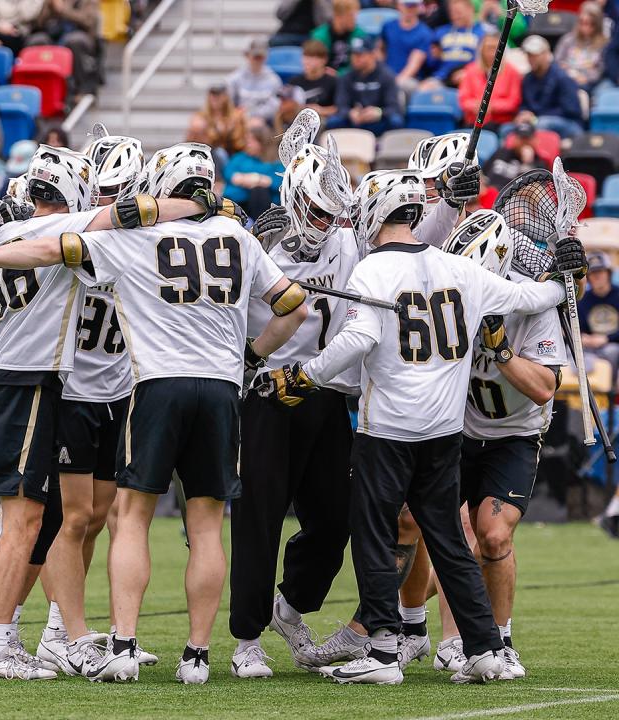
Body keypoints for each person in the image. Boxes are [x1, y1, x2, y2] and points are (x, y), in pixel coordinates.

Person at [0, 148, 307, 685]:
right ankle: (196, 656)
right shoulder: (240, 238)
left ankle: (121, 643)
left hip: (147, 387)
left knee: (123, 518)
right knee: (200, 528)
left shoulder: (128, 239)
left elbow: (53, 248)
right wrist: (250, 357)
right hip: (218, 389)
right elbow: (294, 303)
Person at [252, 169, 582, 685]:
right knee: (448, 539)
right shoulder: (459, 267)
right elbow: (528, 300)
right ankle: (485, 648)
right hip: (446, 431)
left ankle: (383, 650)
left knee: (375, 534)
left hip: (389, 430)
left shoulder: (372, 273)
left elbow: (358, 339)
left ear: (375, 211)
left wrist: (303, 376)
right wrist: (564, 281)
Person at [230, 130, 359, 679]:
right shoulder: (260, 242)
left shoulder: (349, 241)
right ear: (293, 197)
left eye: (332, 214)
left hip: (323, 391)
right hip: (266, 395)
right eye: (315, 210)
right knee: (258, 520)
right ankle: (246, 640)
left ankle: (290, 606)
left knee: (335, 520)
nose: (323, 224)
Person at [428, 209, 566, 681]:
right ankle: (419, 633)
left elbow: (545, 387)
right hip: (456, 427)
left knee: (492, 534)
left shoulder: (533, 306)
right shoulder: (449, 298)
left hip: (513, 434)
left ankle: (501, 639)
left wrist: (502, 349)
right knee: (428, 526)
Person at [32, 134, 148, 678]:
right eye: (102, 192)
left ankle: (66, 618)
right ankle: (61, 630)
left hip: (117, 391)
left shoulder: (146, 239)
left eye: (121, 193)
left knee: (100, 516)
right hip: (73, 390)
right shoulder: (73, 234)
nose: (110, 202)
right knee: (72, 516)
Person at [28, 0, 102, 97]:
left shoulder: (88, 1)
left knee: (74, 41)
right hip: (54, 36)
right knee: (37, 40)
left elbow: (88, 21)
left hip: (81, 35)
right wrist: (49, 7)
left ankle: (81, 90)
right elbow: (39, 23)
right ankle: (39, 89)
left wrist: (62, 10)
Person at [517, 35, 586, 139]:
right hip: (537, 121)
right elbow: (525, 104)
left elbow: (572, 110)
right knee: (507, 129)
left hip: (570, 124)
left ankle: (541, 155)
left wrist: (535, 117)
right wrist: (523, 114)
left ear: (546, 54)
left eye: (535, 55)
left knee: (542, 124)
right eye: (528, 55)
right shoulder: (527, 79)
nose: (531, 58)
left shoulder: (562, 77)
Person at [329, 37, 402, 134]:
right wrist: (351, 113)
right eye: (353, 55)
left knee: (395, 121)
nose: (356, 59)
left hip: (379, 121)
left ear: (372, 55)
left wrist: (378, 112)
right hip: (355, 121)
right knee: (333, 122)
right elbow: (341, 105)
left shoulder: (386, 76)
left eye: (360, 55)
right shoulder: (346, 77)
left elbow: (394, 107)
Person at [458, 33, 521, 128]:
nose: (492, 53)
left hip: (500, 122)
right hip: (473, 121)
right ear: (482, 50)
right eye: (489, 48)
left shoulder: (512, 72)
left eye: (495, 48)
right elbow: (464, 100)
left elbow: (513, 102)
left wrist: (491, 106)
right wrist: (476, 106)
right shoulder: (470, 70)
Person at [223, 123, 284, 218]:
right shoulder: (240, 157)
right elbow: (229, 173)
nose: (248, 144)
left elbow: (280, 182)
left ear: (262, 142)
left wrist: (258, 179)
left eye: (251, 141)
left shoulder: (275, 162)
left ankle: (260, 228)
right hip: (237, 202)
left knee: (259, 191)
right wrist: (251, 179)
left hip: (263, 205)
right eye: (247, 141)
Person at [428, 0, 485, 88]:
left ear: (470, 9)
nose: (455, 16)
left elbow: (486, 62)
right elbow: (430, 64)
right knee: (423, 90)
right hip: (442, 78)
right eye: (452, 12)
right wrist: (435, 57)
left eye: (459, 12)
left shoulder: (482, 33)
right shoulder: (440, 32)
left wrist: (468, 72)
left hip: (470, 77)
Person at [555, 1, 609, 91]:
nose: (585, 28)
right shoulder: (568, 39)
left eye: (589, 24)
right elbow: (556, 62)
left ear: (597, 25)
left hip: (588, 83)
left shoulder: (604, 44)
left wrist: (586, 78)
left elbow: (601, 69)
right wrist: (567, 73)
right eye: (582, 22)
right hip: (565, 79)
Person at [380, 0, 433, 91]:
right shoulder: (388, 26)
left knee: (405, 85)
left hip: (410, 79)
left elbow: (413, 65)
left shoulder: (424, 33)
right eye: (407, 5)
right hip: (387, 75)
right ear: (399, 5)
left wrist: (393, 83)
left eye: (414, 6)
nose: (410, 9)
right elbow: (380, 50)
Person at [227, 38, 283, 122]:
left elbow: (275, 107)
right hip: (238, 120)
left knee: (256, 125)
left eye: (261, 57)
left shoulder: (274, 80)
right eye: (256, 57)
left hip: (263, 122)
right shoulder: (235, 78)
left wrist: (251, 115)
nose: (258, 60)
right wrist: (236, 113)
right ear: (247, 55)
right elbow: (228, 102)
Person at [580, 252, 619, 370]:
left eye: (600, 271)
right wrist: (582, 337)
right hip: (589, 347)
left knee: (612, 351)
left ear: (608, 273)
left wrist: (607, 338)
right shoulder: (582, 299)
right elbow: (575, 327)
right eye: (592, 273)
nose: (596, 276)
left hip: (614, 344)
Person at [484, 122, 546, 190]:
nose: (524, 142)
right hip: (489, 193)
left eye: (527, 139)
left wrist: (527, 163)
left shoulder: (539, 164)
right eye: (521, 139)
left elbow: (538, 192)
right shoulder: (501, 152)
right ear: (515, 139)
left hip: (513, 198)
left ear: (535, 140)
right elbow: (483, 173)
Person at [310, 0, 367, 73]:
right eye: (351, 15)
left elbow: (361, 65)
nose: (355, 19)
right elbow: (314, 65)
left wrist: (339, 74)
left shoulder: (359, 34)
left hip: (350, 81)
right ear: (339, 16)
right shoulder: (319, 36)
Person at [194, 84, 248, 155]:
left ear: (225, 97)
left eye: (218, 95)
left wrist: (230, 127)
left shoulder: (236, 116)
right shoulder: (201, 117)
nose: (215, 98)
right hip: (210, 155)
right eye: (212, 94)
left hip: (234, 154)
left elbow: (241, 142)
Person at [291, 39, 338, 118]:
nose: (307, 61)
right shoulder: (294, 81)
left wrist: (320, 110)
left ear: (324, 59)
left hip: (324, 121)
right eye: (305, 56)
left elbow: (341, 108)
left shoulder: (333, 82)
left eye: (312, 57)